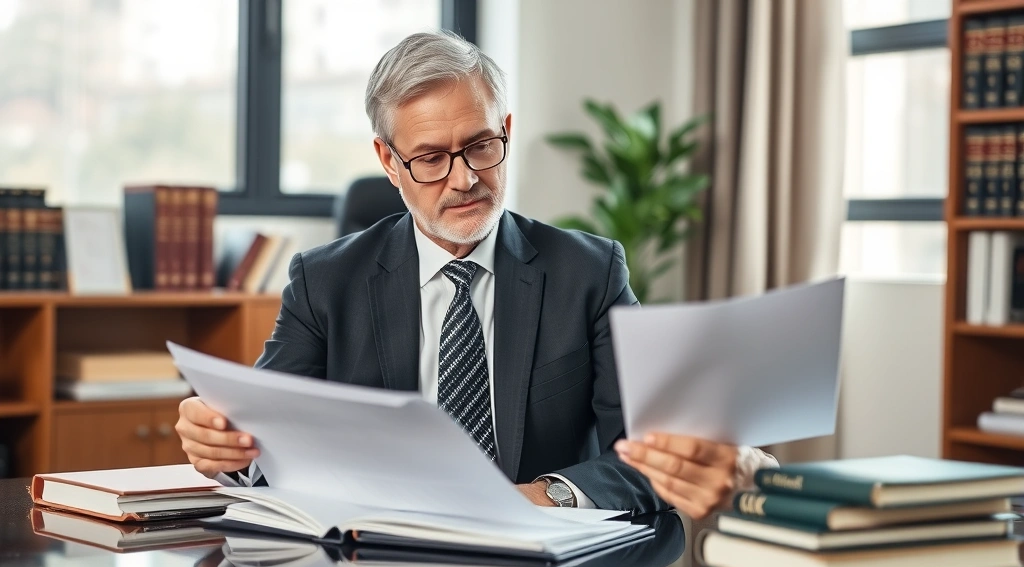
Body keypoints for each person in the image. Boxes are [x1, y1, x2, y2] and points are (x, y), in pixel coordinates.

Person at [175, 31, 775, 517]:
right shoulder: (323, 281)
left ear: (506, 131)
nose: (464, 179)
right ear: (389, 161)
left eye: (482, 146)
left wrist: (546, 496)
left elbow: (651, 458)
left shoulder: (588, 273)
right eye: (432, 159)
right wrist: (223, 443)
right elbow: (265, 436)